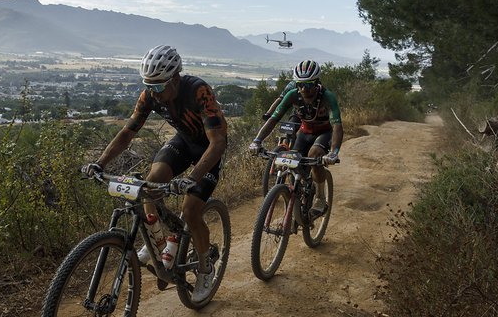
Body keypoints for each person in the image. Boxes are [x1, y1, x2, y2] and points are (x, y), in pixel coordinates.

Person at [81, 45, 228, 289]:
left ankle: (205, 267)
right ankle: (160, 242)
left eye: (158, 86)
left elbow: (218, 142)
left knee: (191, 211)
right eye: (148, 85)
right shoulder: (149, 95)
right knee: (150, 184)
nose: (153, 92)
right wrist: (100, 163)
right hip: (184, 141)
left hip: (208, 149)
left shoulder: (198, 91)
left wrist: (192, 177)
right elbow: (128, 132)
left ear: (176, 78)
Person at [248, 59, 342, 216]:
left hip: (324, 132)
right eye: (300, 84)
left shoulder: (327, 97)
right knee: (292, 161)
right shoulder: (292, 95)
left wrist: (334, 152)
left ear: (317, 83)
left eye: (309, 84)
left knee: (314, 155)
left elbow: (337, 126)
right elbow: (274, 119)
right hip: (305, 132)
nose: (304, 89)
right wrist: (257, 140)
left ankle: (320, 197)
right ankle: (298, 193)